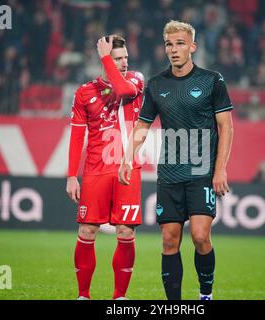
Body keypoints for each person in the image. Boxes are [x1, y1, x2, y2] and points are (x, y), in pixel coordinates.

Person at [118, 20, 234, 300]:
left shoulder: (212, 80)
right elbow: (143, 125)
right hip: (169, 172)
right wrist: (126, 157)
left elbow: (226, 127)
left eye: (180, 43)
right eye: (169, 44)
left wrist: (220, 170)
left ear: (192, 46)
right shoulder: (157, 85)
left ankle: (206, 294)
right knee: (169, 240)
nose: (174, 49)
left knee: (200, 236)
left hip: (202, 170)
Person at [66, 35, 144, 300]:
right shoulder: (84, 92)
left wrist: (105, 58)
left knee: (125, 231)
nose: (123, 63)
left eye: (125, 58)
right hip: (95, 171)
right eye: (117, 58)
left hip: (127, 168)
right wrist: (71, 176)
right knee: (87, 230)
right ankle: (83, 295)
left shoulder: (136, 80)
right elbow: (77, 137)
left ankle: (119, 297)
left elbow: (121, 91)